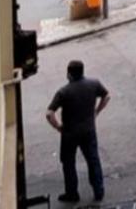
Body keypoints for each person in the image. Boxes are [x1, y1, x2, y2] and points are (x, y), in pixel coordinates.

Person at [46, 58, 109, 204]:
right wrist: (97, 111)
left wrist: (58, 127)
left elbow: (49, 114)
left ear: (69, 74)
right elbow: (107, 96)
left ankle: (72, 193)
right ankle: (98, 190)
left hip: (69, 133)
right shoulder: (94, 84)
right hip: (88, 130)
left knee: (68, 163)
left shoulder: (63, 92)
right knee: (93, 159)